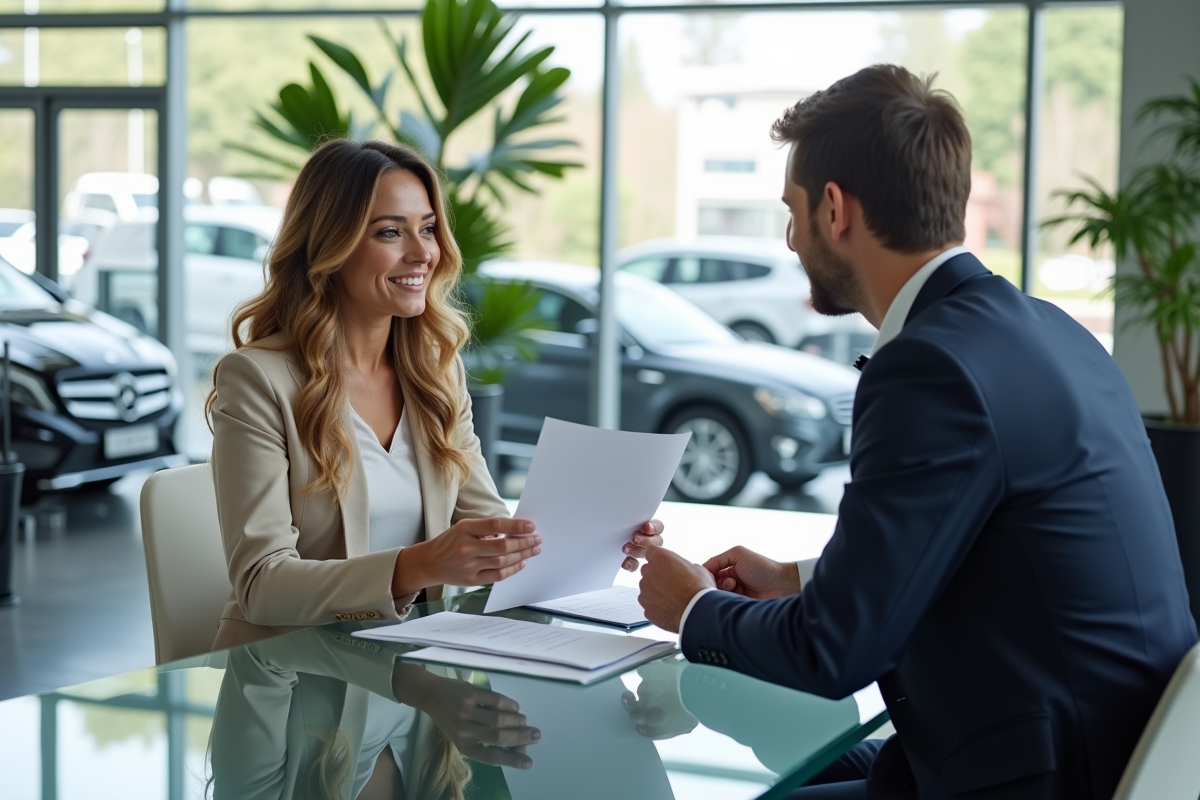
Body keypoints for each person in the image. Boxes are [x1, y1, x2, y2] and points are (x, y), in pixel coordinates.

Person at [637, 65, 1198, 800]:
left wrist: (695, 609)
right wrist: (794, 579)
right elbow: (979, 546)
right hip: (1097, 752)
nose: (789, 238)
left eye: (792, 211)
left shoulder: (927, 368)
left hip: (1028, 777)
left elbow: (834, 652)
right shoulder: (1049, 332)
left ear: (834, 209)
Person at [209, 139, 662, 649]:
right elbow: (261, 586)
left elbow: (488, 532)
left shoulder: (435, 375)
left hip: (413, 670)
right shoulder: (257, 379)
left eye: (427, 228)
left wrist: (597, 539)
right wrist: (421, 564)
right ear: (328, 246)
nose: (424, 252)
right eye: (389, 232)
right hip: (295, 683)